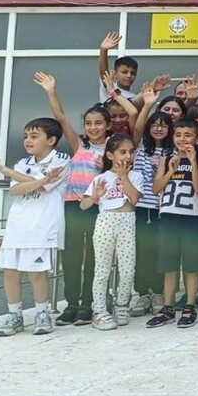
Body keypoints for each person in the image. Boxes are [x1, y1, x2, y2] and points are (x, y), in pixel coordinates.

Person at [32, 72, 107, 327]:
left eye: (99, 123)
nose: (93, 127)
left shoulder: (113, 147)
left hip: (99, 208)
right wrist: (51, 91)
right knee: (72, 256)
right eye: (89, 123)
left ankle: (88, 303)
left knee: (95, 257)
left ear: (107, 125)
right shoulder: (80, 145)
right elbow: (61, 117)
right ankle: (72, 303)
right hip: (72, 205)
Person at [0, 118, 70, 337]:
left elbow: (46, 188)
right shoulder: (22, 163)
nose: (28, 140)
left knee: (36, 273)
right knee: (10, 272)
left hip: (42, 226)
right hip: (18, 225)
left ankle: (42, 314)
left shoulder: (61, 161)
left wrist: (14, 174)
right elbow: (15, 190)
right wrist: (38, 180)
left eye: (34, 136)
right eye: (26, 136)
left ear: (51, 140)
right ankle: (14, 315)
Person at [80, 135, 143, 331]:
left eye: (131, 152)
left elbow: (134, 199)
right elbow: (83, 205)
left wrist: (124, 177)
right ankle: (99, 311)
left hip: (127, 222)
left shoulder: (136, 176)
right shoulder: (101, 178)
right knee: (102, 269)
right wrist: (95, 196)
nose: (128, 156)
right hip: (105, 221)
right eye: (122, 152)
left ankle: (122, 305)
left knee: (127, 269)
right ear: (110, 155)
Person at [146, 120, 198, 328]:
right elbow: (156, 188)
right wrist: (170, 171)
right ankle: (168, 307)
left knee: (191, 264)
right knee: (169, 264)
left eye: (188, 135)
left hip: (191, 218)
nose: (182, 139)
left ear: (197, 138)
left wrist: (193, 162)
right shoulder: (166, 159)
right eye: (178, 135)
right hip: (169, 217)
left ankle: (190, 305)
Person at [128, 111, 172, 318]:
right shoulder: (140, 148)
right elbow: (136, 127)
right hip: (141, 208)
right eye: (154, 124)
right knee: (141, 252)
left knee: (160, 252)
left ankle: (159, 293)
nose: (158, 128)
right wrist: (147, 105)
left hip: (164, 208)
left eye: (163, 125)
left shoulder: (173, 151)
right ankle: (143, 294)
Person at [97, 31, 139, 104]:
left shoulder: (135, 97)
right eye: (124, 72)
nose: (129, 76)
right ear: (115, 74)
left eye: (133, 73)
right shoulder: (110, 87)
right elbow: (104, 73)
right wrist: (103, 50)